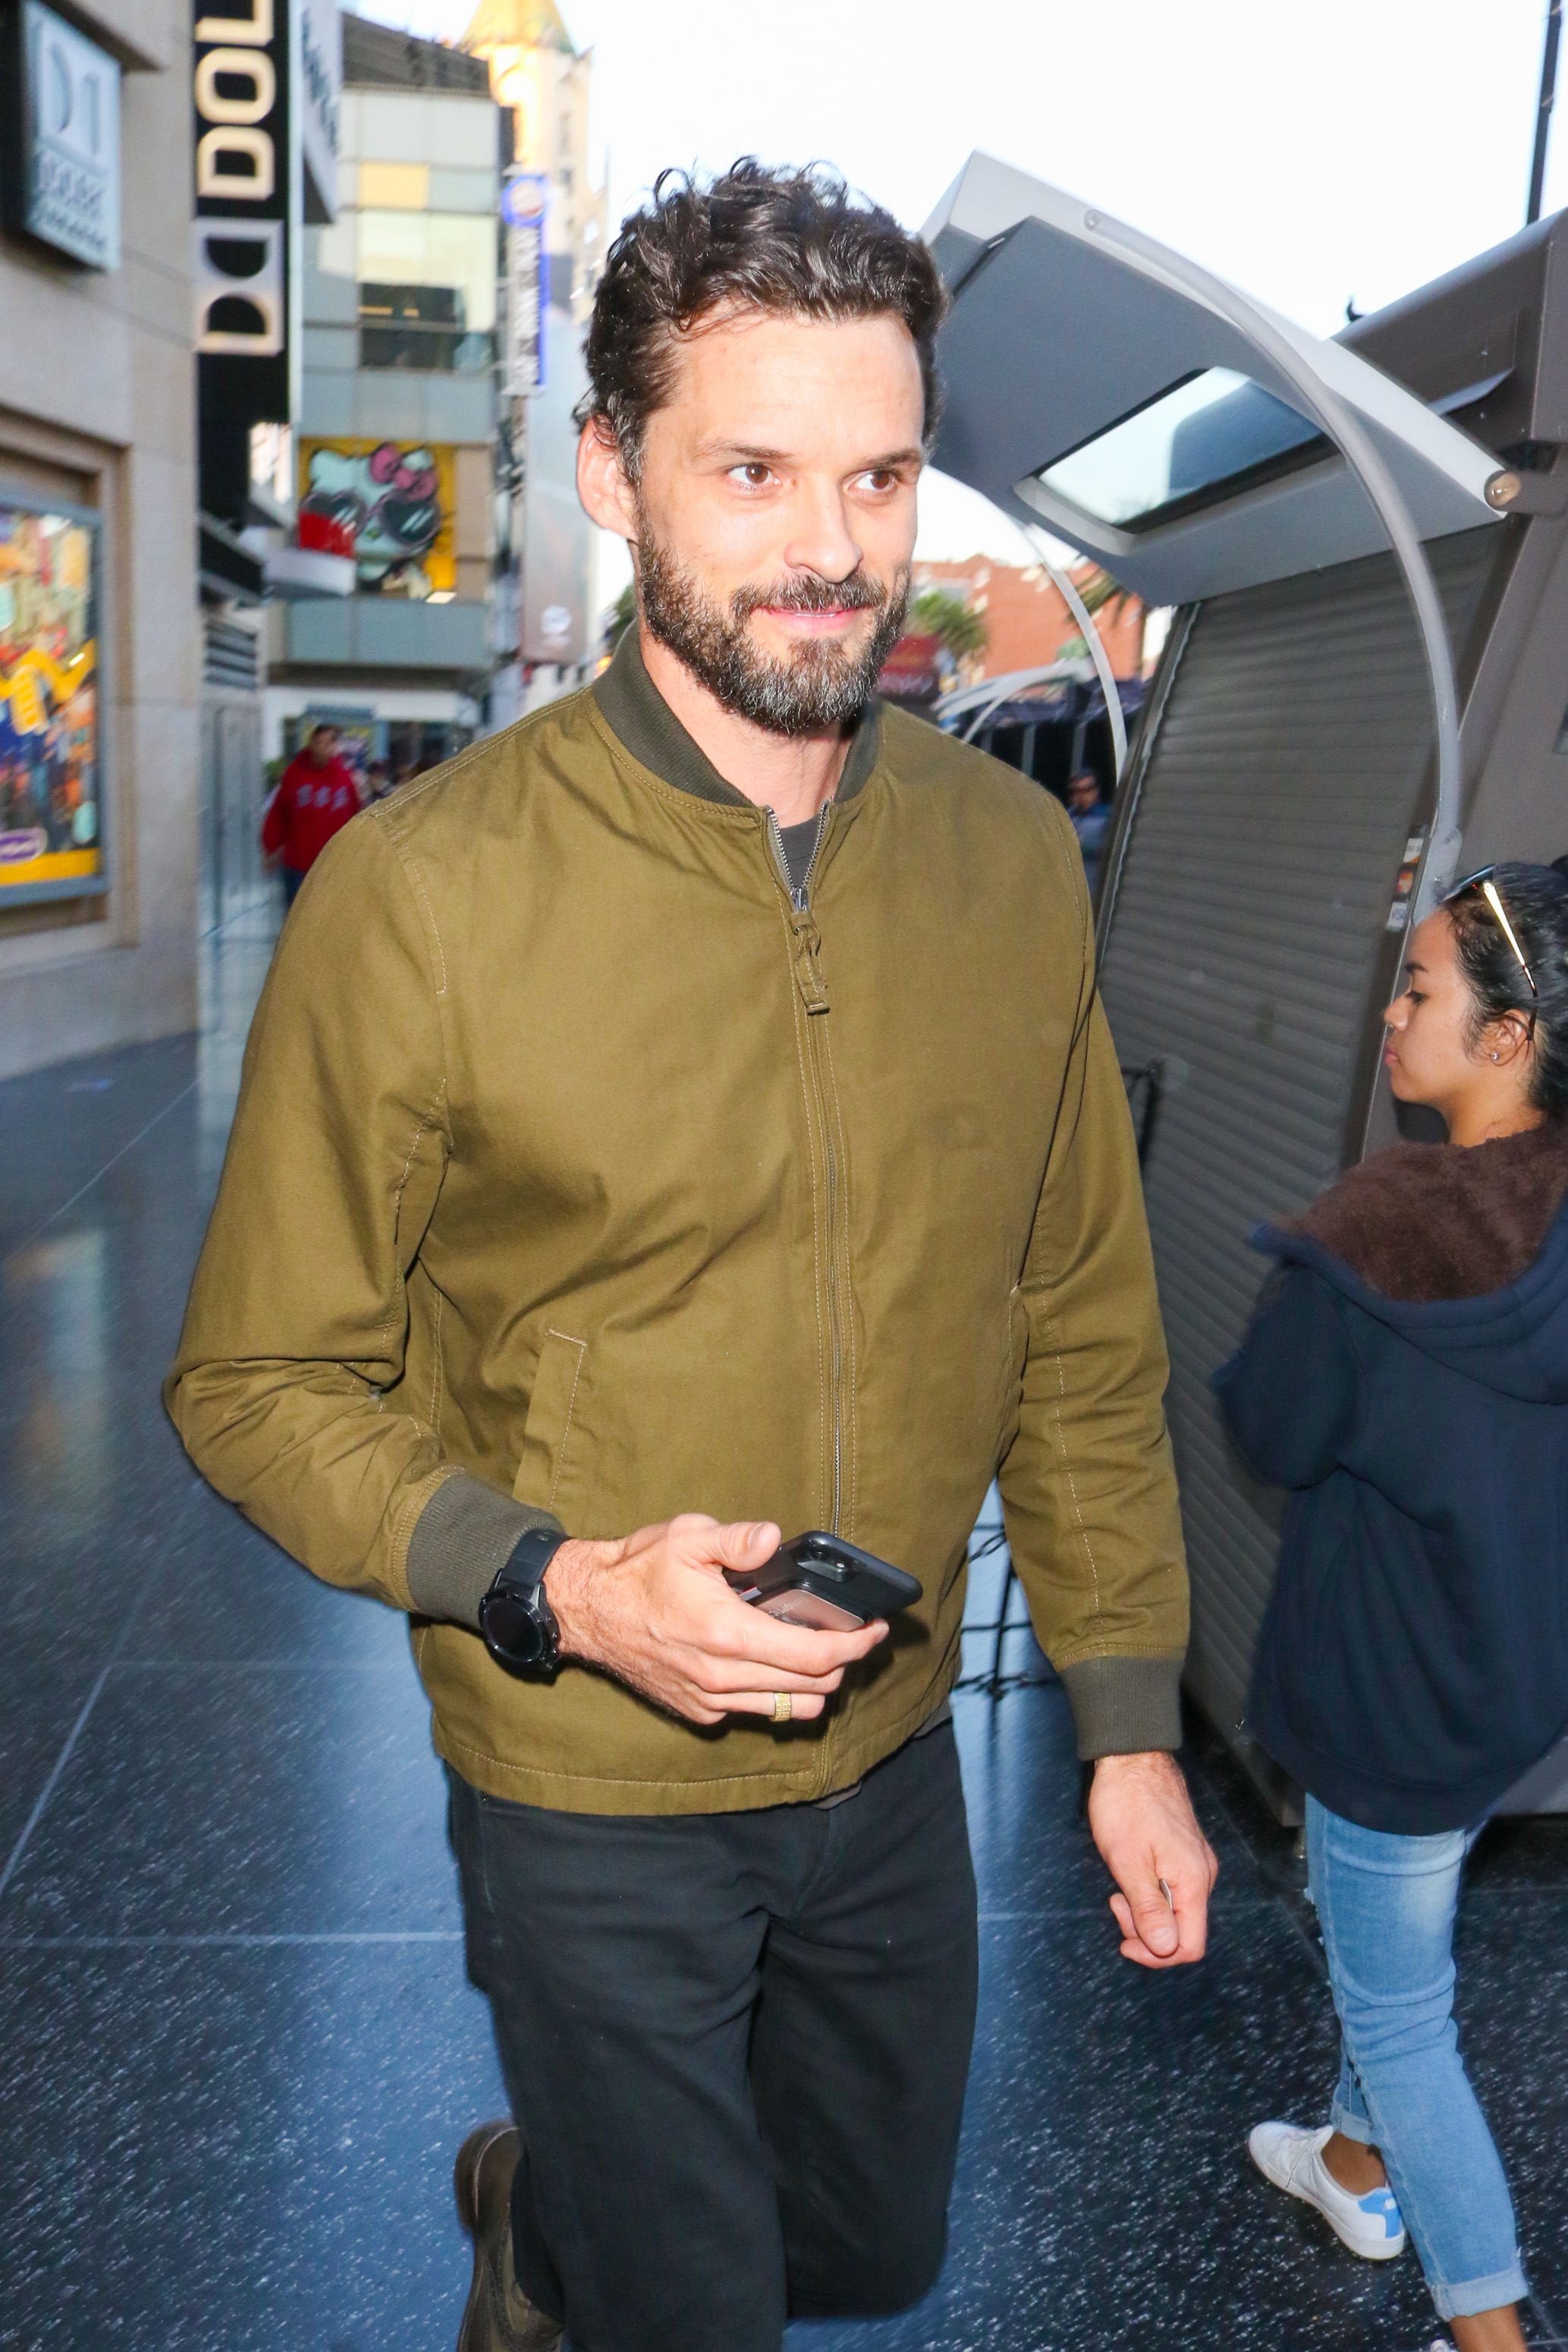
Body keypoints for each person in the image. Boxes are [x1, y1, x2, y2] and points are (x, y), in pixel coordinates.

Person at [166, 161, 1215, 2352]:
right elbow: (254, 1380)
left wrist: (1122, 1718)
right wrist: (556, 1582)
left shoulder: (1014, 863)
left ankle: (538, 2214)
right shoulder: (427, 892)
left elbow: (1078, 1325)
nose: (832, 546)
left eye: (879, 471)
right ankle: (590, 2258)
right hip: (586, 1767)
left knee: (869, 2252)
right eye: (751, 469)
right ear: (612, 473)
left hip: (892, 1737)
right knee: (696, 2313)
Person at [1217, 862, 1568, 2352]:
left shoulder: (1370, 1236)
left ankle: (1493, 2330)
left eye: (1420, 986)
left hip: (1382, 1696)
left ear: (1510, 1035)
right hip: (1514, 1678)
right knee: (1395, 1947)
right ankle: (1355, 2167)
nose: (1390, 1006)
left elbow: (1269, 1428)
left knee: (1402, 2007)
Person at [260, 723, 363, 904]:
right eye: (320, 743)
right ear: (311, 744)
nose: (324, 748)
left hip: (332, 865)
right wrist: (271, 847)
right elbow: (278, 813)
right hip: (298, 864)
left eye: (329, 743)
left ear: (335, 747)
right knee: (296, 917)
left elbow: (356, 816)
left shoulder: (344, 779)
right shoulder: (294, 775)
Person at [1067, 766, 1111, 897]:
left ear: (1095, 791)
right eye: (1075, 791)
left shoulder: (1106, 816)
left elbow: (1110, 850)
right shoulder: (1070, 815)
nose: (1079, 796)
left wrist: (1081, 845)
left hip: (1093, 888)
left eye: (1083, 791)